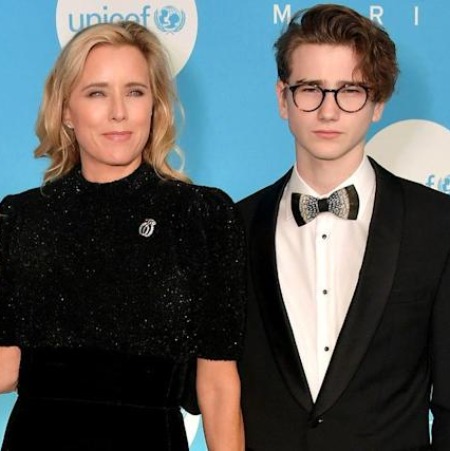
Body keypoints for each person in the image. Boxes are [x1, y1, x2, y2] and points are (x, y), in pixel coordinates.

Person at [0, 21, 246, 451]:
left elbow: (218, 386)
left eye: (135, 92)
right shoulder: (21, 217)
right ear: (66, 111)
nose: (119, 112)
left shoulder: (201, 215)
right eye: (97, 93)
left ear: (155, 105)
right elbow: (7, 366)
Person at [238, 4, 450, 450]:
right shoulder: (234, 226)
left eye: (350, 91)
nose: (328, 111)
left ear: (378, 103)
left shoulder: (437, 224)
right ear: (283, 99)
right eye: (310, 89)